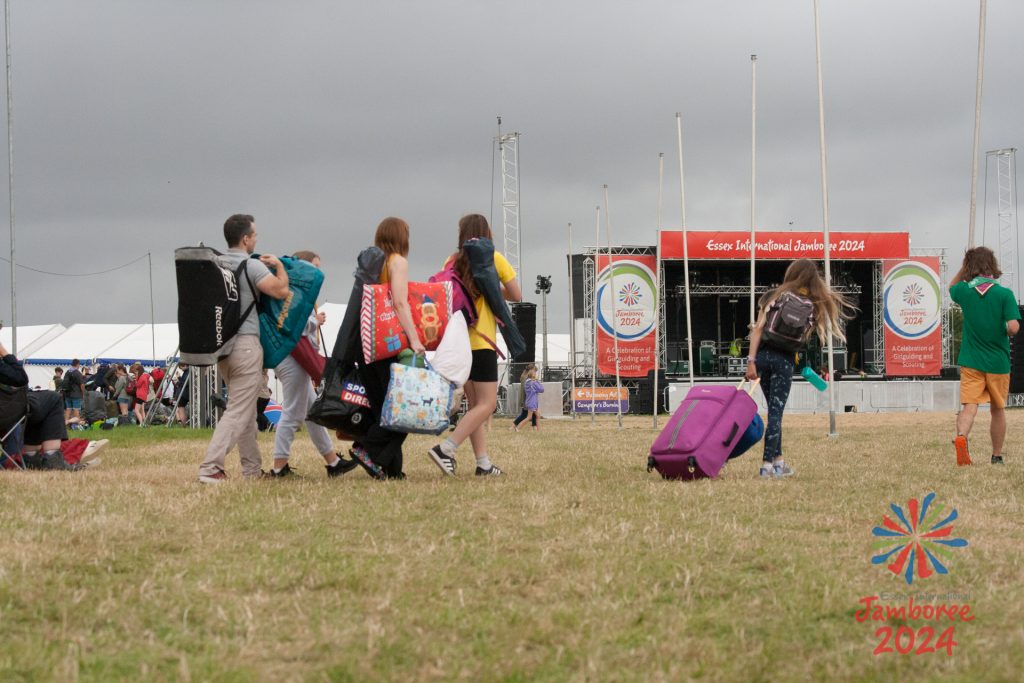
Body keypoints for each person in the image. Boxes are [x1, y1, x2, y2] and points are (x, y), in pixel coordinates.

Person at [198, 213, 290, 483]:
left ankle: (251, 470)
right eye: (255, 235)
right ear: (246, 239)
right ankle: (211, 467)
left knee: (247, 412)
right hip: (246, 344)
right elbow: (280, 291)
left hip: (221, 346)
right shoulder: (251, 266)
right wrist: (279, 265)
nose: (256, 239)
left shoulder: (215, 265)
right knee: (238, 410)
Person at [428, 214, 521, 477]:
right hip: (481, 341)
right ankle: (446, 448)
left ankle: (483, 463)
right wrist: (492, 289)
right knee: (488, 404)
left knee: (474, 404)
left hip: (457, 342)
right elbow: (516, 295)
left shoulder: (452, 260)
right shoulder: (495, 258)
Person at [745, 258, 853, 478]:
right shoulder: (813, 306)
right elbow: (802, 338)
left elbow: (757, 330)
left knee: (773, 412)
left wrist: (751, 361)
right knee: (776, 414)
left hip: (763, 358)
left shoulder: (775, 296)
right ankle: (767, 466)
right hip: (784, 361)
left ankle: (779, 461)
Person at [268, 250, 357, 478]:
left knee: (312, 413)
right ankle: (279, 466)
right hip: (294, 359)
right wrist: (314, 322)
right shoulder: (297, 292)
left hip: (290, 358)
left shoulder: (292, 291)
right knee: (293, 413)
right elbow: (292, 325)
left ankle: (333, 462)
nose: (319, 270)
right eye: (315, 266)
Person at [349, 217, 426, 480]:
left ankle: (392, 470)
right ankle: (366, 449)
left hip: (364, 341)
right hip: (386, 343)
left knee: (383, 407)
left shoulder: (373, 263)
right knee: (403, 412)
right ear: (401, 237)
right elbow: (400, 304)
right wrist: (414, 339)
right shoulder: (397, 262)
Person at [949, 246, 1020, 465]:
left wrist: (964, 266)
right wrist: (1007, 328)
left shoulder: (964, 292)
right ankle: (996, 455)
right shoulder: (1004, 294)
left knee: (970, 406)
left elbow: (952, 286)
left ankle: (961, 437)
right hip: (997, 362)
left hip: (971, 361)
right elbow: (1014, 327)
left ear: (970, 267)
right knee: (997, 409)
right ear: (993, 266)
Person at [0, 341, 90, 471]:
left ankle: (30, 456)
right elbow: (20, 378)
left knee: (32, 405)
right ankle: (50, 456)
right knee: (51, 399)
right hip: (6, 413)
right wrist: (4, 352)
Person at [512, 364, 543, 431]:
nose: (536, 374)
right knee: (527, 416)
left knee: (537, 415)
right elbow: (541, 389)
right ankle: (516, 427)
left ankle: (538, 430)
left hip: (530, 401)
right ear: (533, 374)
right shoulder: (532, 382)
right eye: (535, 372)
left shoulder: (527, 381)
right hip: (530, 401)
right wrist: (537, 381)